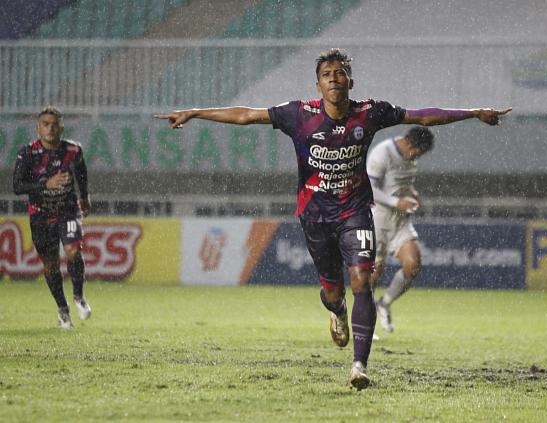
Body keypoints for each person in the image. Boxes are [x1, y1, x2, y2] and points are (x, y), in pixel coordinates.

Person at [155, 48, 512, 389]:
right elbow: (247, 115)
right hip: (314, 217)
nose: (334, 79)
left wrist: (474, 111)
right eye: (327, 75)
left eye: (340, 73)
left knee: (362, 281)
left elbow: (422, 116)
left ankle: (359, 366)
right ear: (318, 86)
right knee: (332, 291)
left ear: (351, 81)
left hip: (355, 212)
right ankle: (337, 311)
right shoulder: (299, 114)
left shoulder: (370, 113)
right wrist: (196, 111)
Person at [13, 106, 92, 329]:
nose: (50, 128)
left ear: (61, 127)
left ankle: (79, 296)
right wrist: (44, 184)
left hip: (68, 210)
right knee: (50, 265)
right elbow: (17, 186)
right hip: (40, 215)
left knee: (73, 250)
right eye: (45, 124)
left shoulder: (73, 150)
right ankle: (63, 310)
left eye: (54, 124)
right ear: (38, 128)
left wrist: (84, 196)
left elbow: (82, 171)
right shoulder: (27, 153)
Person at [367, 126, 434, 334]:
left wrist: (413, 194)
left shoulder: (411, 156)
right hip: (377, 220)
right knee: (372, 275)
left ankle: (384, 304)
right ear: (407, 141)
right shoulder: (383, 152)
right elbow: (368, 189)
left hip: (400, 222)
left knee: (413, 264)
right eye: (417, 152)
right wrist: (397, 202)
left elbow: (402, 184)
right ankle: (364, 323)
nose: (417, 156)